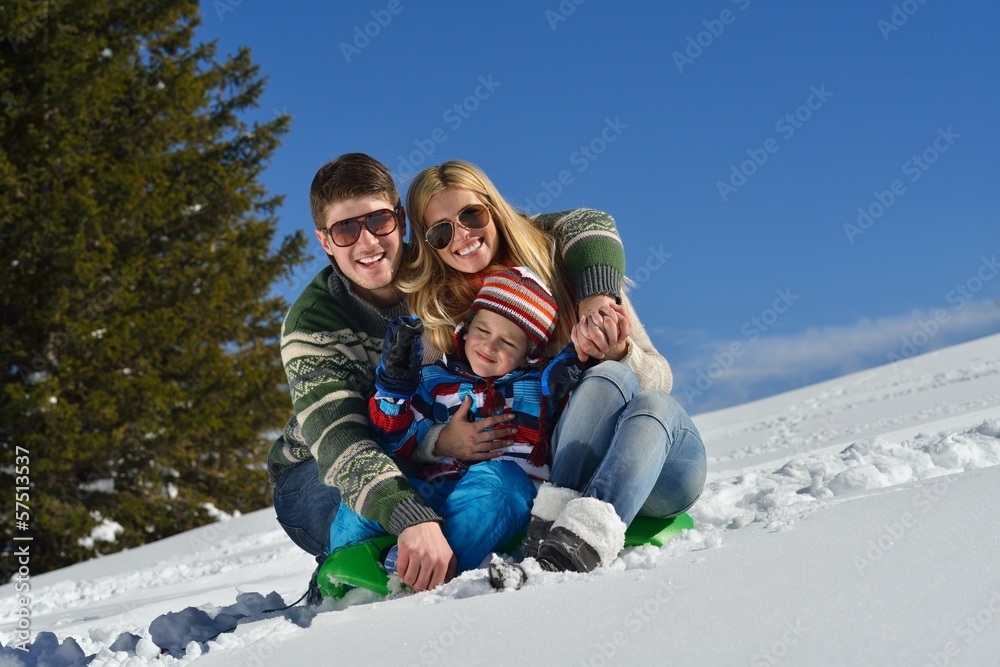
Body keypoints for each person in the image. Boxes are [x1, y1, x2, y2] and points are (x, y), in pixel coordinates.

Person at [266, 153, 632, 592]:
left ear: (400, 221)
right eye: (346, 230)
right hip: (317, 467)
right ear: (325, 241)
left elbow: (583, 223)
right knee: (361, 511)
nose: (367, 243)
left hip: (424, 450)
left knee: (497, 491)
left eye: (378, 221)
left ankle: (432, 559)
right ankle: (355, 581)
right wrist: (412, 511)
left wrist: (596, 299)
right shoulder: (314, 323)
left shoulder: (439, 257)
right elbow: (342, 443)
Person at [403, 160, 708, 575]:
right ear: (429, 245)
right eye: (441, 232)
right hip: (556, 467)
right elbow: (413, 409)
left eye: (471, 215)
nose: (462, 236)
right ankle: (564, 547)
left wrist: (617, 349)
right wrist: (440, 441)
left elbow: (659, 376)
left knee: (627, 385)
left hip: (650, 465)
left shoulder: (569, 273)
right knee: (611, 378)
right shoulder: (439, 320)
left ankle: (556, 527)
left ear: (494, 208)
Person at [327, 267, 567, 575]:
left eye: (508, 342)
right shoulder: (436, 379)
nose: (490, 346)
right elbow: (397, 441)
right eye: (483, 331)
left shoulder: (539, 387)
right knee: (369, 496)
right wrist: (394, 391)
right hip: (433, 495)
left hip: (495, 501)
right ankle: (339, 572)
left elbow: (575, 422)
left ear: (526, 355)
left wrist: (570, 374)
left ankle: (430, 571)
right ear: (465, 330)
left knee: (502, 483)